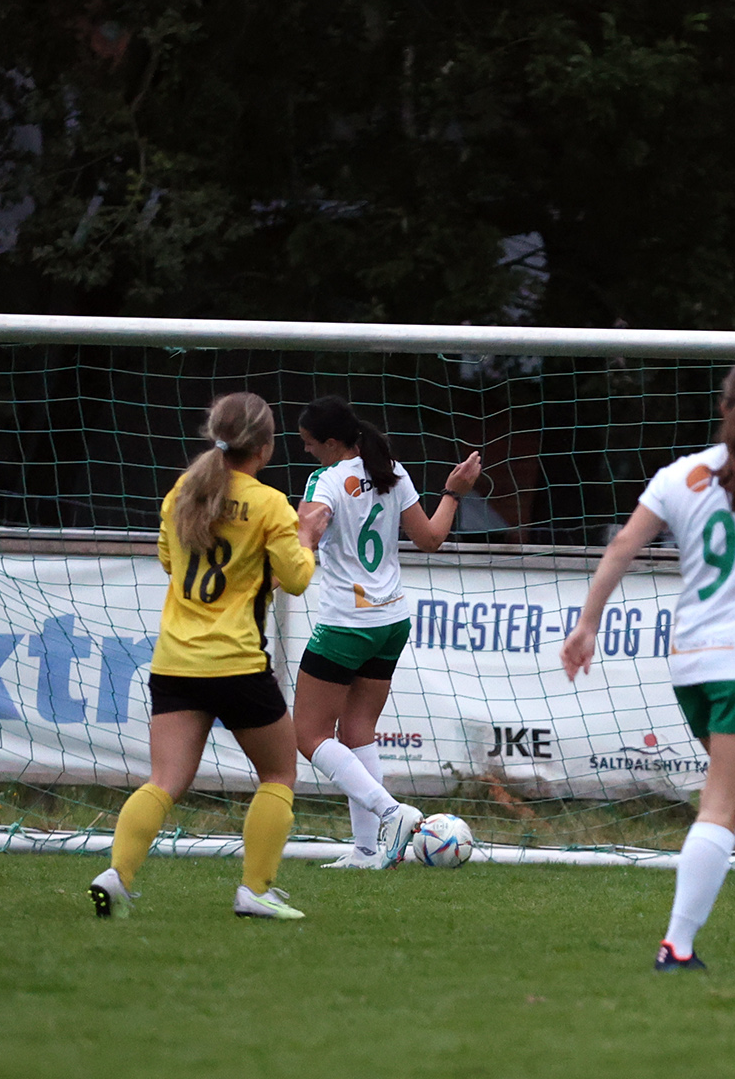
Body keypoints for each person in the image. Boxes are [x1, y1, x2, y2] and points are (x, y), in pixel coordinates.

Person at [561, 353, 735, 972]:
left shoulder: (680, 475)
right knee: (722, 806)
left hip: (692, 662)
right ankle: (677, 945)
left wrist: (587, 624)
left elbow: (621, 546)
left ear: (724, 407)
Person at [89, 393, 325, 921]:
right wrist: (307, 533)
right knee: (279, 774)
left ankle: (117, 875)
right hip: (235, 661)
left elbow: (170, 563)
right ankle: (255, 890)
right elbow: (298, 579)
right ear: (264, 448)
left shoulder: (183, 493)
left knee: (164, 781)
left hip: (174, 661)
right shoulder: (269, 503)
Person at [290, 396, 482, 870]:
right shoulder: (390, 468)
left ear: (332, 443)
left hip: (346, 624)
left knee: (309, 735)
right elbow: (431, 539)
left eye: (310, 444)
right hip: (391, 621)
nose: (308, 452)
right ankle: (366, 851)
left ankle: (392, 813)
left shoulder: (326, 482)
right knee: (357, 732)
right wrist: (453, 492)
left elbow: (301, 546)